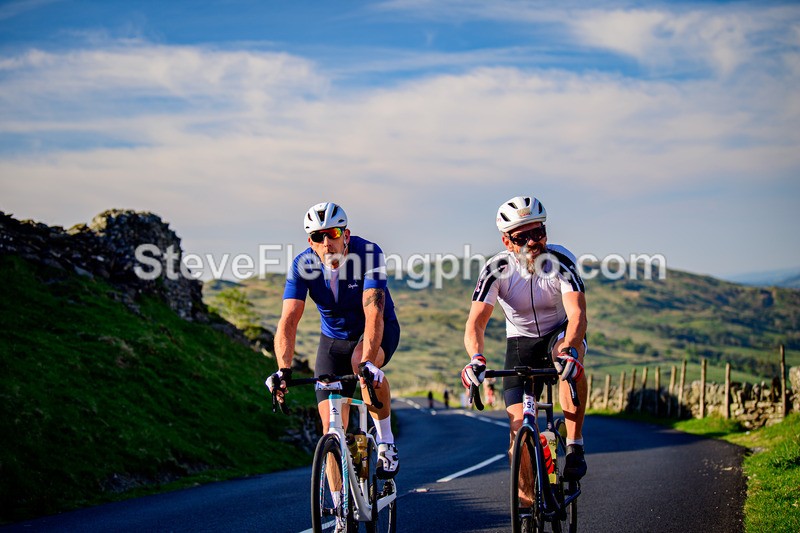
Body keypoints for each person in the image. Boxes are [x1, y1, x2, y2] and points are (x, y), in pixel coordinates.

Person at [266, 202, 401, 480]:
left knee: (361, 369)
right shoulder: (303, 264)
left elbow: (373, 311)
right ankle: (341, 511)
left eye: (333, 234)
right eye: (318, 237)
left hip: (374, 330)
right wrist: (283, 369)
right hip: (333, 341)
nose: (327, 243)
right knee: (332, 428)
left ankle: (386, 442)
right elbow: (289, 320)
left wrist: (367, 362)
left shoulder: (369, 253)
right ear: (311, 242)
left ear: (346, 235)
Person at [461, 195, 588, 486]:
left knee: (567, 359)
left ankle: (575, 444)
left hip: (559, 333)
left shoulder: (561, 261)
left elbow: (578, 315)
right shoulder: (497, 269)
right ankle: (529, 503)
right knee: (517, 430)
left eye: (538, 232)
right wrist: (476, 358)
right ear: (507, 242)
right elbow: (476, 323)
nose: (533, 242)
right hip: (520, 341)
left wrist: (570, 349)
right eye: (522, 237)